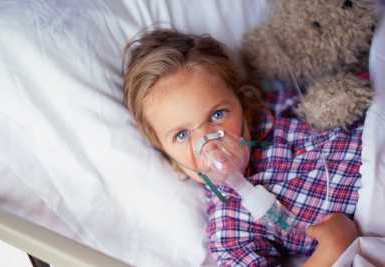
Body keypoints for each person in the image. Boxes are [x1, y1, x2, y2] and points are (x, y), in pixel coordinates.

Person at [122, 28, 361, 266]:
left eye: (217, 114)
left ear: (242, 102)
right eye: (182, 134)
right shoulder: (230, 228)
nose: (208, 141)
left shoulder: (280, 112)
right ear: (166, 153)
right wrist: (333, 247)